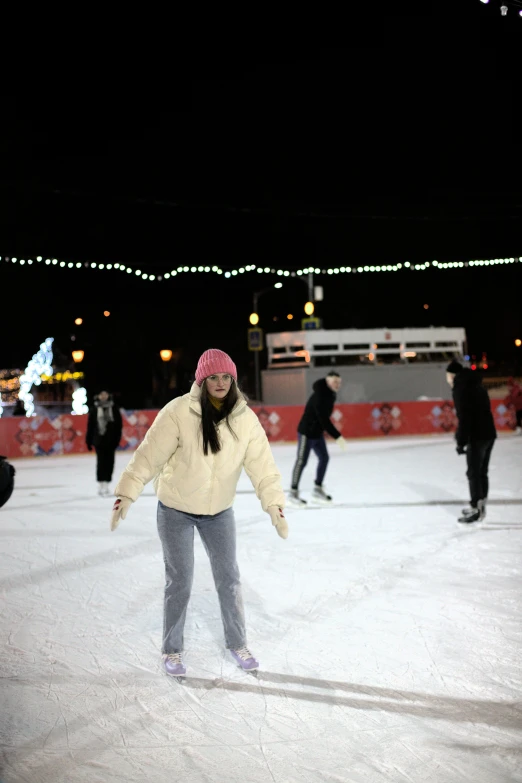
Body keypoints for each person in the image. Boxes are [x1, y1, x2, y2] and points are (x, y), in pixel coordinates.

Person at [110, 349, 288, 677]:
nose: (220, 383)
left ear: (233, 380)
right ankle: (172, 650)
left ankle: (237, 643)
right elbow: (149, 456)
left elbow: (263, 466)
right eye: (213, 377)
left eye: (226, 377)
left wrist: (274, 503)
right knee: (180, 580)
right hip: (176, 509)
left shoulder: (244, 419)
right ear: (202, 380)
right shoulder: (178, 411)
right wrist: (127, 492)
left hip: (218, 512)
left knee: (229, 579)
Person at [446, 360, 497, 523]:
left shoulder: (460, 388)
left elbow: (464, 417)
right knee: (482, 472)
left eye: (447, 376)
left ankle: (477, 508)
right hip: (489, 433)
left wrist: (461, 442)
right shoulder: (476, 384)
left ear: (452, 375)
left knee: (474, 472)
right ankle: (481, 506)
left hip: (477, 435)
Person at [289, 371, 346, 507]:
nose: (337, 385)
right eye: (334, 382)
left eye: (339, 382)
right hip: (306, 433)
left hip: (317, 433)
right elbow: (324, 419)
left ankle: (317, 489)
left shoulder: (331, 394)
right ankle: (292, 493)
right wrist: (338, 437)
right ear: (328, 382)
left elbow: (323, 420)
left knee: (324, 458)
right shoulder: (321, 395)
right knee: (301, 461)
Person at [86, 390, 123, 496]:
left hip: (111, 441)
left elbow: (119, 426)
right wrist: (88, 441)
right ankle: (101, 484)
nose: (103, 396)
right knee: (100, 462)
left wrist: (117, 439)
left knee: (110, 463)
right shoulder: (94, 409)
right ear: (98, 396)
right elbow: (90, 426)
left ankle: (107, 484)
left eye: (105, 394)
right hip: (99, 441)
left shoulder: (114, 408)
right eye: (101, 394)